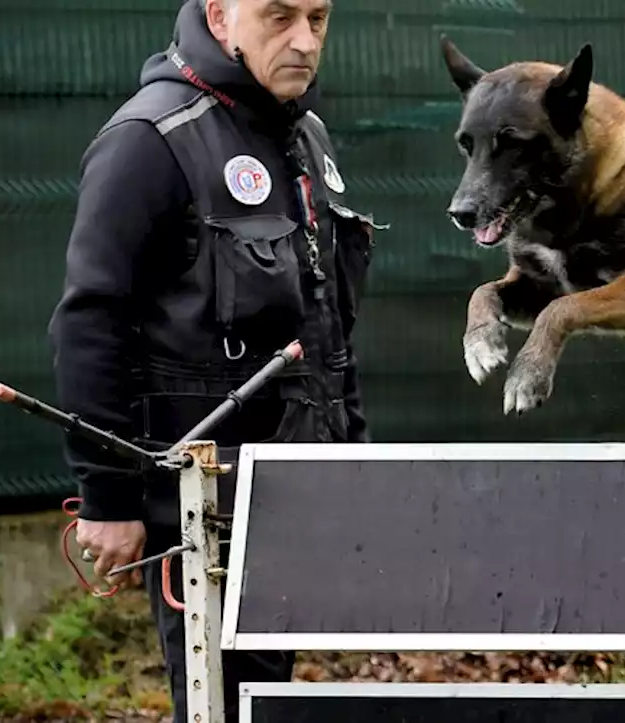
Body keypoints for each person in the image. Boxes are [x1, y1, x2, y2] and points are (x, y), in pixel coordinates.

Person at [46, 0, 381, 719]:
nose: (304, 41)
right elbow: (89, 321)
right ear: (221, 17)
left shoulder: (305, 136)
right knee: (219, 703)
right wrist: (108, 497)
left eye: (318, 19)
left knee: (267, 699)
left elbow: (325, 325)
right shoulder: (150, 138)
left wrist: (354, 457)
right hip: (199, 513)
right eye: (279, 17)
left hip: (299, 489)